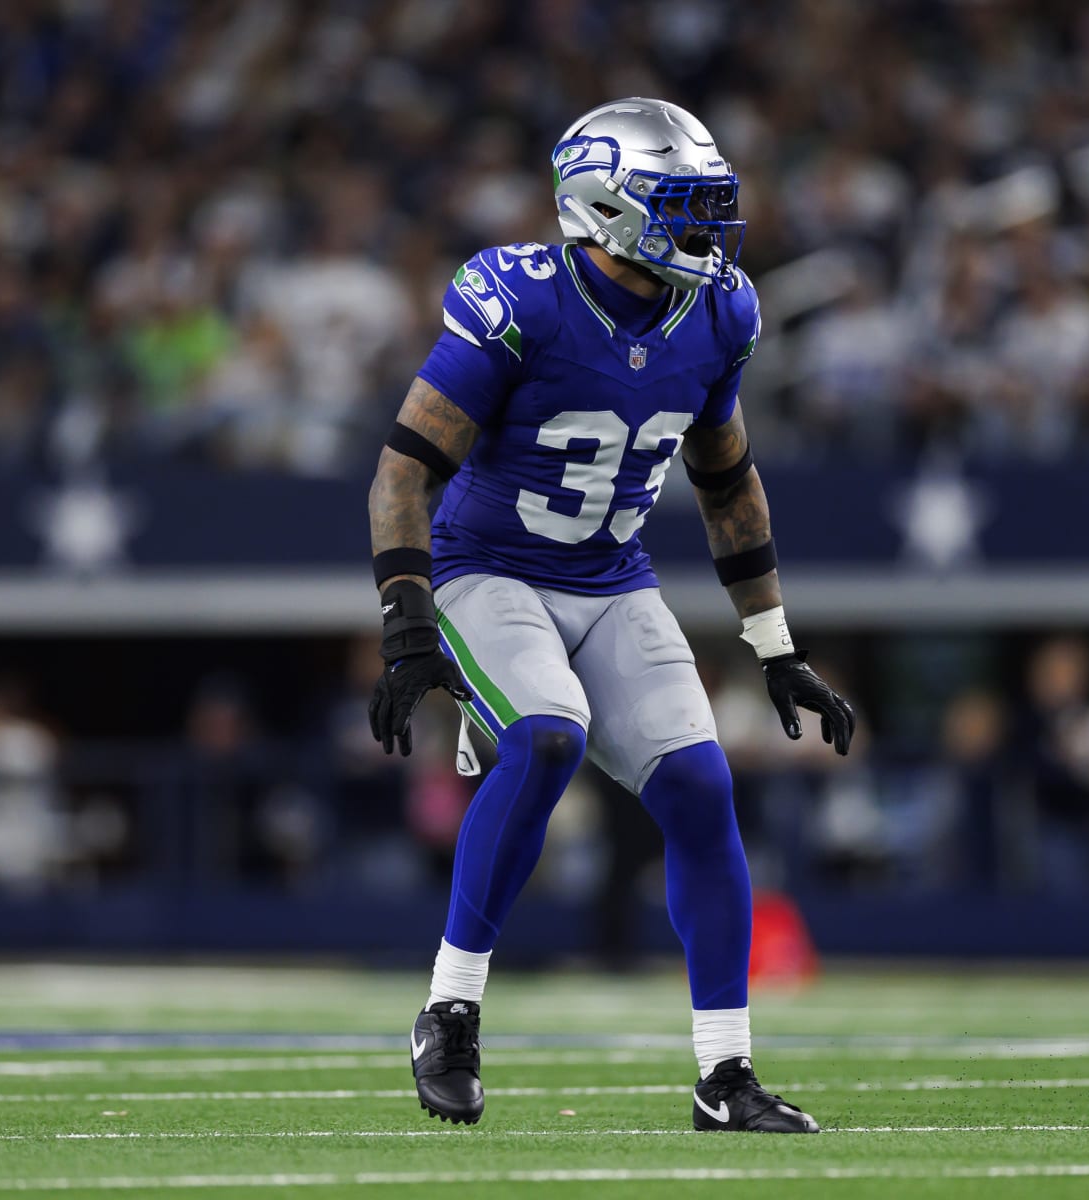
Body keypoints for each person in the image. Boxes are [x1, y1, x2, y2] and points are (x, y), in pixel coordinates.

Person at [365, 99, 853, 1134]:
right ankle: (449, 1012)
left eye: (712, 203)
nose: (711, 227)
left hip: (613, 580)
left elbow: (729, 482)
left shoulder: (719, 312)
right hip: (487, 569)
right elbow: (404, 471)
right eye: (685, 203)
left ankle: (725, 1075)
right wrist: (406, 622)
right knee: (547, 736)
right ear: (607, 206)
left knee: (701, 785)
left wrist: (776, 646)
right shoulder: (523, 299)